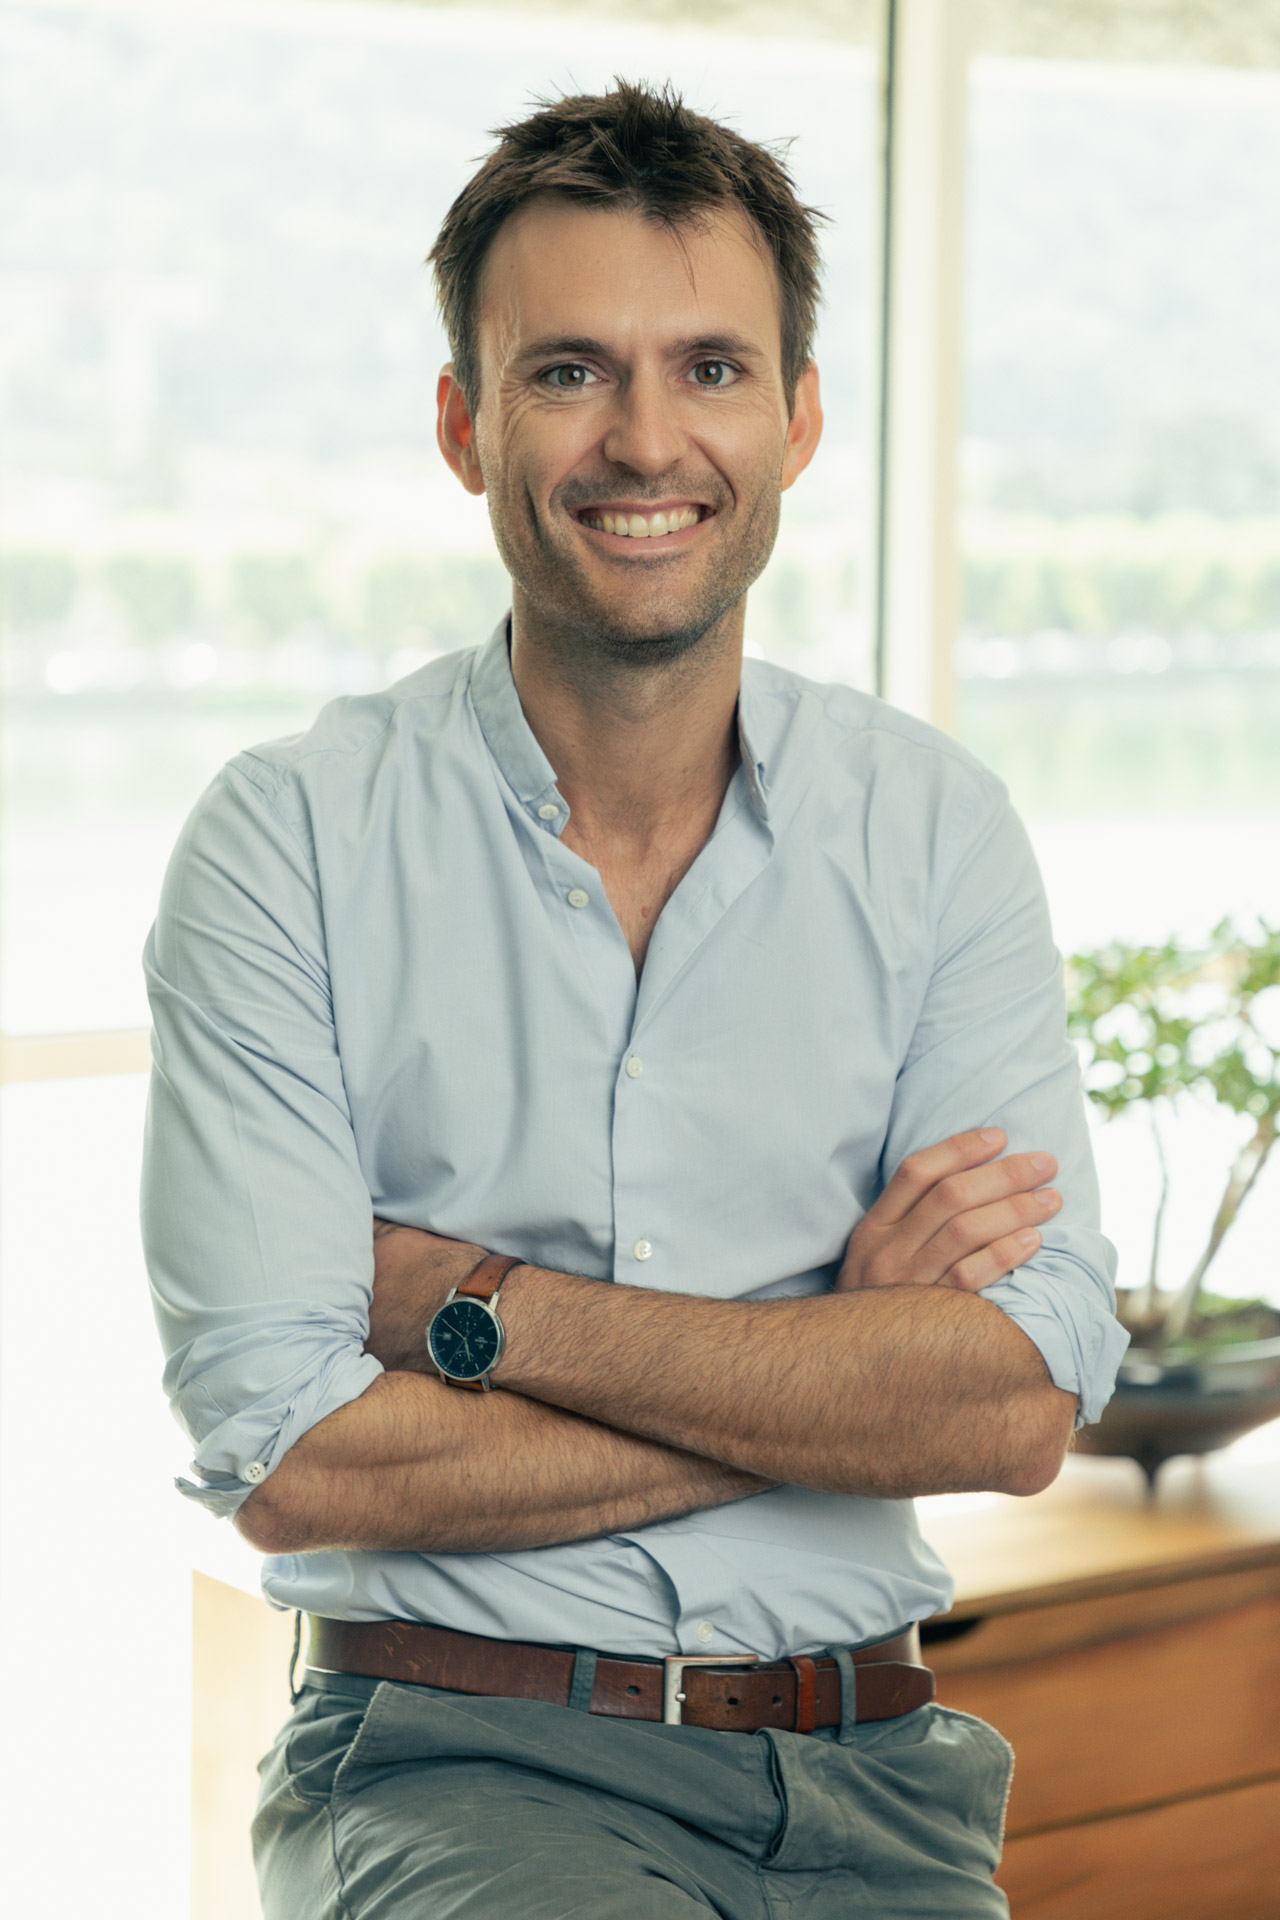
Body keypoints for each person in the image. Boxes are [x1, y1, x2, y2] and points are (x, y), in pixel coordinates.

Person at [142, 81, 1126, 1918]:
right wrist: (832, 1353)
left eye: (714, 370)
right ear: (465, 423)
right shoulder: (288, 843)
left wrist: (474, 1307)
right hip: (463, 1768)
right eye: (570, 371)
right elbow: (285, 1457)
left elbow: (1008, 1409)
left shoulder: (934, 832)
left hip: (885, 1786)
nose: (646, 439)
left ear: (801, 418)